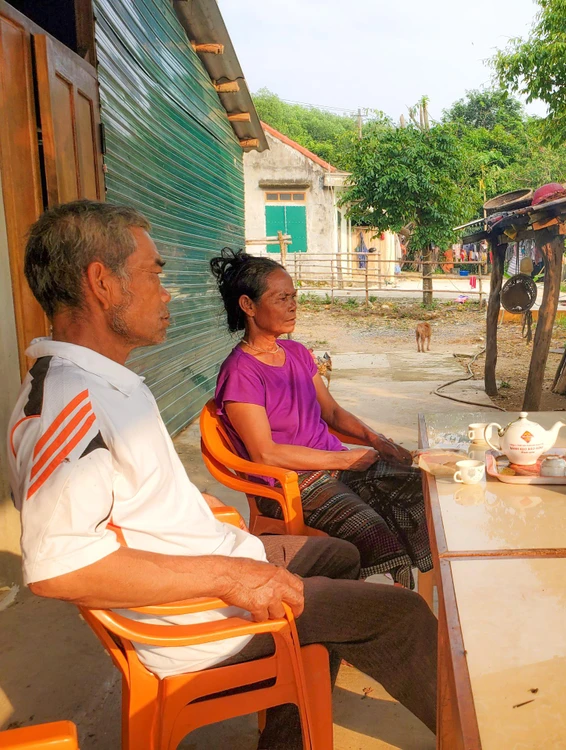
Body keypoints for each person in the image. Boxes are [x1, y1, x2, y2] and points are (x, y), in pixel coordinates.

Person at [7, 200, 436, 748]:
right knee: (400, 614)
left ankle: (293, 719)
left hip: (215, 566)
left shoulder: (104, 382)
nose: (166, 292)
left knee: (342, 555)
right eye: (153, 273)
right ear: (102, 283)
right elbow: (58, 569)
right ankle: (473, 729)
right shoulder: (71, 402)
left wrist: (213, 529)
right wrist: (229, 576)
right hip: (197, 622)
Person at [209, 248, 432, 588]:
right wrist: (344, 459)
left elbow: (331, 413)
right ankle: (383, 608)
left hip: (332, 466)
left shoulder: (297, 353)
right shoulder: (241, 373)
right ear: (248, 306)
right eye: (281, 298)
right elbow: (265, 453)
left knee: (423, 487)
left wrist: (377, 441)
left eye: (294, 297)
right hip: (293, 484)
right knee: (374, 530)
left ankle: (414, 590)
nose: (293, 306)